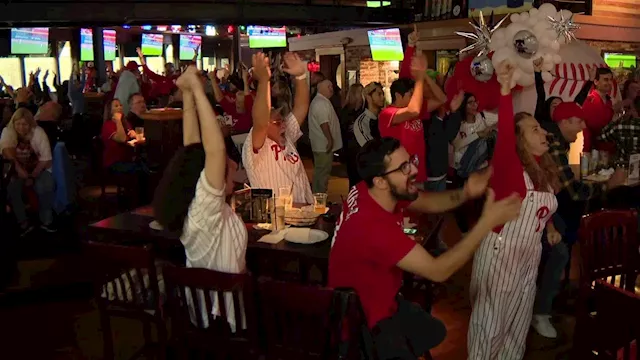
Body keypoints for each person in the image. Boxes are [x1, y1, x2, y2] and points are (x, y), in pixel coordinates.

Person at [328, 136, 522, 360]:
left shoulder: (370, 189)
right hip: (363, 323)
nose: (413, 169)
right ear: (380, 181)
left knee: (434, 331)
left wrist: (466, 192)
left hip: (381, 300)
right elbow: (438, 270)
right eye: (403, 167)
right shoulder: (372, 226)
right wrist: (487, 222)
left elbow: (428, 201)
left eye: (410, 161)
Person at [467, 61, 561, 359]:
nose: (543, 132)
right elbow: (505, 133)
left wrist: (550, 227)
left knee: (516, 331)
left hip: (529, 257)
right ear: (519, 140)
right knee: (489, 328)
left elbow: (541, 210)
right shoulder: (509, 168)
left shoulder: (543, 171)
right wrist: (505, 89)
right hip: (501, 255)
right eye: (535, 129)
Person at [153, 66, 246, 331]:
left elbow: (192, 146)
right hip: (223, 320)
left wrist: (188, 95)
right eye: (226, 163)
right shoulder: (205, 211)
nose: (229, 163)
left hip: (207, 310)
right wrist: (196, 87)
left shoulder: (194, 202)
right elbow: (214, 148)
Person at [533, 101, 628, 338]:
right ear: (564, 122)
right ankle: (542, 311)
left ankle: (574, 291)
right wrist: (608, 185)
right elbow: (572, 191)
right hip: (534, 207)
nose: (584, 125)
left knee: (577, 222)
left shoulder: (558, 141)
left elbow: (565, 187)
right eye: (579, 121)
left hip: (545, 203)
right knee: (565, 246)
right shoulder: (553, 143)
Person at [242, 52, 313, 204]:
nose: (283, 125)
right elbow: (260, 121)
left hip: (304, 214)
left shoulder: (286, 135)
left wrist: (301, 77)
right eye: (277, 122)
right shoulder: (257, 144)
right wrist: (263, 81)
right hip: (278, 220)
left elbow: (301, 107)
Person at [379, 25, 446, 187]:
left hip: (418, 174)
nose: (414, 97)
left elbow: (442, 99)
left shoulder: (415, 111)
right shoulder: (388, 114)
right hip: (399, 176)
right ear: (397, 96)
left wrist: (425, 76)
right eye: (409, 94)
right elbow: (413, 109)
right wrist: (420, 78)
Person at [0, 108, 56, 235]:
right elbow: (7, 154)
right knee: (13, 188)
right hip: (17, 169)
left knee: (46, 185)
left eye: (24, 124)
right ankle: (23, 222)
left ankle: (46, 220)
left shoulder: (38, 132)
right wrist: (22, 173)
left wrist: (32, 176)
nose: (21, 127)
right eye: (18, 124)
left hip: (39, 168)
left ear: (30, 124)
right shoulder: (7, 132)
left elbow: (46, 159)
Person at [533, 57, 594, 125]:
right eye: (554, 106)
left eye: (560, 107)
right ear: (547, 110)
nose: (558, 110)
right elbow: (541, 95)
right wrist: (537, 72)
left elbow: (579, 100)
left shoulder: (566, 126)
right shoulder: (540, 123)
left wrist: (591, 80)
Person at [308, 79, 343, 193]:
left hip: (322, 145)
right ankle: (319, 198)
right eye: (329, 87)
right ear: (321, 88)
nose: (331, 89)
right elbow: (324, 123)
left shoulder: (322, 101)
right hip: (323, 146)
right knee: (322, 174)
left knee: (322, 173)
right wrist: (329, 139)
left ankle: (319, 197)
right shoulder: (320, 103)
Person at [582, 67, 618, 153]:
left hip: (609, 150)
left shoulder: (609, 101)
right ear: (596, 81)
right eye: (606, 79)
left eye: (610, 80)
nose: (609, 83)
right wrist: (614, 121)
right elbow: (596, 128)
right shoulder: (590, 101)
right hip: (594, 152)